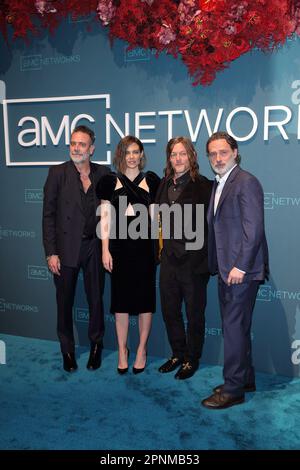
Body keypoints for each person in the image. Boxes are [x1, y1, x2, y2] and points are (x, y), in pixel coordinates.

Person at [201, 131, 269, 409]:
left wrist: (241, 265)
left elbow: (254, 230)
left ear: (235, 152)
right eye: (213, 154)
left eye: (223, 152)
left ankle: (232, 390)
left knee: (232, 329)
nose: (218, 158)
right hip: (226, 268)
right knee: (238, 328)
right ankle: (245, 379)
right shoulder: (219, 184)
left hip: (241, 270)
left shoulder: (246, 182)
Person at [42, 125, 109, 372]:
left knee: (96, 299)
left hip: (93, 245)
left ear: (91, 148)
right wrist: (51, 252)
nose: (76, 148)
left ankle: (96, 346)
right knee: (64, 302)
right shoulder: (57, 173)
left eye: (82, 144)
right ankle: (67, 350)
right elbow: (48, 215)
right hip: (66, 248)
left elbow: (109, 213)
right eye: (73, 143)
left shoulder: (103, 173)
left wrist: (106, 248)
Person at [96, 136, 160, 374]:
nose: (132, 157)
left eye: (136, 152)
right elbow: (105, 219)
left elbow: (155, 221)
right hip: (119, 250)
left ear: (141, 155)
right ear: (120, 156)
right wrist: (105, 250)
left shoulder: (152, 180)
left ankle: (142, 349)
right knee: (121, 303)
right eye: (127, 152)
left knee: (145, 302)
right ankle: (123, 350)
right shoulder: (109, 182)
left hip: (144, 249)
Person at [157, 137, 212, 380]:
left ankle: (192, 359)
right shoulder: (163, 184)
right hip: (168, 260)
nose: (178, 158)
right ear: (169, 159)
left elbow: (213, 226)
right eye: (173, 154)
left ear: (192, 157)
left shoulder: (204, 186)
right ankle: (177, 354)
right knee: (170, 311)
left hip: (193, 263)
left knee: (194, 314)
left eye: (182, 154)